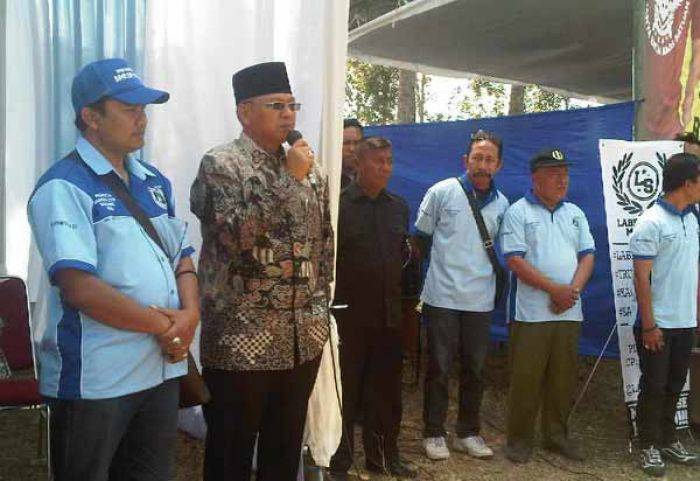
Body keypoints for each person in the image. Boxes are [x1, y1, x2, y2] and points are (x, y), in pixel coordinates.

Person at [27, 58, 199, 481]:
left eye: (144, 109)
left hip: (160, 370)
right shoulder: (63, 186)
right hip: (97, 381)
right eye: (129, 109)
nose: (142, 119)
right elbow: (80, 289)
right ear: (91, 117)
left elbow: (183, 257)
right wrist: (164, 327)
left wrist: (191, 316)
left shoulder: (153, 181)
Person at [190, 61, 334, 481]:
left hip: (301, 340)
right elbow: (236, 238)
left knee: (284, 450)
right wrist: (288, 182)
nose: (289, 115)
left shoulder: (311, 170)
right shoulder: (221, 164)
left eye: (293, 105)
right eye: (277, 105)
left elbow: (323, 242)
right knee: (230, 453)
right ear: (244, 112)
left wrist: (320, 314)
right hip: (241, 343)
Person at [415, 130, 509, 461]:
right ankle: (434, 432)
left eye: (489, 159)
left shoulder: (502, 204)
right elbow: (419, 242)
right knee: (439, 367)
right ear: (465, 161)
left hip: (480, 300)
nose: (482, 165)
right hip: (442, 296)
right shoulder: (442, 192)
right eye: (477, 158)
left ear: (498, 165)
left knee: (476, 369)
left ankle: (468, 432)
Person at [499, 148, 595, 464]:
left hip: (569, 310)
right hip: (531, 313)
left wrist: (571, 292)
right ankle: (519, 440)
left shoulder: (575, 213)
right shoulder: (518, 212)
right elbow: (514, 259)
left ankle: (556, 436)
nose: (562, 178)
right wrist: (555, 290)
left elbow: (587, 256)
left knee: (562, 378)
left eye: (565, 172)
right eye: (554, 172)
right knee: (526, 379)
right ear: (535, 177)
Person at [329, 137, 417, 480]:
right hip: (349, 316)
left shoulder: (398, 207)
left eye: (389, 161)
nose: (385, 168)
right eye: (378, 161)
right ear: (358, 164)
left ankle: (383, 456)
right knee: (347, 392)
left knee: (385, 392)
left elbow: (404, 261)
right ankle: (340, 460)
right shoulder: (339, 207)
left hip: (389, 316)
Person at [630, 153, 700, 477]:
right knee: (653, 387)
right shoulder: (651, 222)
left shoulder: (694, 217)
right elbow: (640, 278)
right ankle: (648, 445)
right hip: (656, 325)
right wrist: (649, 325)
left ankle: (669, 439)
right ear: (687, 183)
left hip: (685, 322)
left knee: (675, 385)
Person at [341, 118, 363, 189]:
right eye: (346, 143)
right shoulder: (329, 178)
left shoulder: (368, 179)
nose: (352, 149)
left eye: (356, 143)